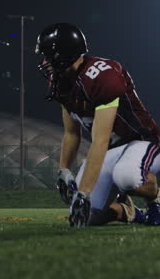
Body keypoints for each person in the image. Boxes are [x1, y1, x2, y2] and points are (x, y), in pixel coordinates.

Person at [35, 22, 160, 227]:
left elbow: (100, 140)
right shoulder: (61, 81)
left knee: (127, 176)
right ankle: (129, 212)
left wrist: (83, 192)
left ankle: (155, 199)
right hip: (111, 149)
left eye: (48, 55)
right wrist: (64, 169)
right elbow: (71, 133)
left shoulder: (102, 75)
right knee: (86, 216)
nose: (45, 61)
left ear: (64, 54)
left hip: (142, 141)